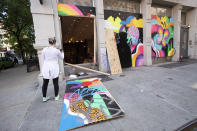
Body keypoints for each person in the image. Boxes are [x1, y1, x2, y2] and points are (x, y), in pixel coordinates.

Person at [41, 37, 64, 102]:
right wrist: (62, 52)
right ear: (55, 43)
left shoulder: (44, 50)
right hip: (54, 67)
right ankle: (56, 96)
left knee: (45, 83)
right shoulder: (57, 50)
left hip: (46, 67)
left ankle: (44, 97)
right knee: (55, 82)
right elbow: (62, 58)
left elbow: (43, 59)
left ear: (49, 42)